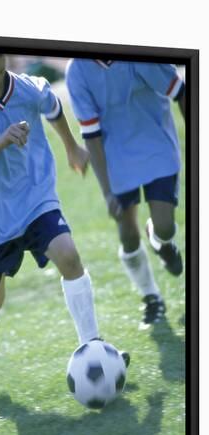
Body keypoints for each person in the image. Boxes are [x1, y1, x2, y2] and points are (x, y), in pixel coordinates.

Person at [0, 52, 128, 400]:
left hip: (35, 200)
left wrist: (72, 147)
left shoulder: (27, 88)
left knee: (69, 256)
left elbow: (53, 105)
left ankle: (93, 347)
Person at [66, 59, 185, 328]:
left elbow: (180, 91)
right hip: (115, 156)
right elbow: (91, 134)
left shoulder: (140, 52)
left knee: (166, 227)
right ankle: (151, 297)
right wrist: (107, 193)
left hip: (157, 145)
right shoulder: (77, 71)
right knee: (127, 235)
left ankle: (160, 242)